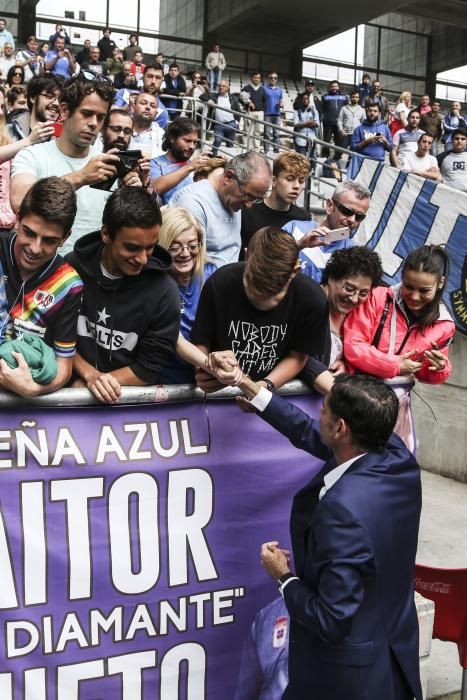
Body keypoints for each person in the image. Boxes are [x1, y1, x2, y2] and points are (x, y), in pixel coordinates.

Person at [219, 369, 423, 700]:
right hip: (389, 657)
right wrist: (250, 387)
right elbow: (309, 432)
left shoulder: (341, 512)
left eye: (325, 408)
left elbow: (332, 619)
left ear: (341, 428)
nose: (319, 413)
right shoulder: (396, 454)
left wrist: (283, 577)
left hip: (345, 678)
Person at [67, 186, 180, 403]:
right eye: (131, 248)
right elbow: (53, 337)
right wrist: (87, 374)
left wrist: (98, 383)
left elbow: (148, 368)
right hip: (67, 388)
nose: (143, 259)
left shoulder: (164, 292)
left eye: (150, 247)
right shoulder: (72, 269)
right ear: (106, 234)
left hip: (127, 404)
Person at [191, 226, 329, 395]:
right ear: (247, 255)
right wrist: (203, 368)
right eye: (252, 281)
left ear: (294, 272)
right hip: (220, 390)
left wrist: (263, 389)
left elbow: (299, 356)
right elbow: (201, 339)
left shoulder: (312, 299)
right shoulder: (220, 283)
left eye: (273, 290)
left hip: (278, 391)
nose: (258, 295)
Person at [343, 245, 455, 452]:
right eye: (408, 286)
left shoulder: (444, 324)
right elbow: (353, 346)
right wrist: (394, 365)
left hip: (395, 408)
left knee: (389, 469)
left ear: (441, 283)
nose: (414, 296)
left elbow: (425, 374)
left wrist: (439, 368)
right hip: (355, 399)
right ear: (401, 276)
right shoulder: (378, 297)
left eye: (424, 291)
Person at [11, 72, 119, 253]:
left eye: (100, 117)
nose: (94, 123)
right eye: (86, 113)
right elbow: (19, 200)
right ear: (64, 110)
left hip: (90, 273)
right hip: (41, 268)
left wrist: (139, 189)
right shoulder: (32, 155)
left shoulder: (106, 164)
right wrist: (80, 177)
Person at [0, 177, 83, 397]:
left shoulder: (68, 284)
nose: (35, 248)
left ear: (65, 237)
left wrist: (33, 389)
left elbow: (63, 366)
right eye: (29, 232)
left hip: (26, 410)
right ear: (17, 219)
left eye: (49, 240)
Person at [301, 246, 383, 393]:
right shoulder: (310, 302)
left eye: (363, 293)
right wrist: (336, 391)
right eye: (349, 288)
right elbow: (299, 355)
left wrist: (346, 365)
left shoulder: (357, 314)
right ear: (332, 277)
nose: (354, 299)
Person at [169, 151, 271, 267]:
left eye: (256, 199)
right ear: (228, 177)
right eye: (247, 195)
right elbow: (189, 264)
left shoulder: (233, 197)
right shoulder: (192, 203)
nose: (249, 205)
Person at [157, 207, 217, 383]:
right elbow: (175, 338)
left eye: (192, 246)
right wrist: (210, 366)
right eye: (175, 247)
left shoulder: (211, 273)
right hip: (164, 380)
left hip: (207, 377)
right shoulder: (154, 282)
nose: (185, 253)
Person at [282, 180, 370, 282]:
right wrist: (299, 245)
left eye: (359, 216)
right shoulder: (294, 228)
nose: (352, 220)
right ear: (329, 206)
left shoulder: (354, 254)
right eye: (347, 211)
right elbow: (266, 261)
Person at [240, 151, 311, 256]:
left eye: (301, 181)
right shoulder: (248, 213)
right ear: (274, 181)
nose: (296, 186)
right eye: (290, 179)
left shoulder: (304, 218)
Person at [150, 117, 211, 205]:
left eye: (195, 142)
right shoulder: (155, 164)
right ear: (172, 138)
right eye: (187, 141)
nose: (192, 146)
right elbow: (155, 188)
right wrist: (190, 167)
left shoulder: (195, 165)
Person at [204, 79, 240, 155]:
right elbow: (202, 96)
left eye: (223, 86)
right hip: (218, 125)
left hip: (231, 124)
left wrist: (236, 122)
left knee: (230, 144)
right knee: (217, 141)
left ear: (227, 88)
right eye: (219, 86)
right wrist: (209, 101)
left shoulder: (233, 98)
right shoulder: (214, 96)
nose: (221, 87)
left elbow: (238, 111)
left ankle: (229, 160)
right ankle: (213, 157)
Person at [129, 91, 165, 159]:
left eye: (153, 106)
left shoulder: (161, 135)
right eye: (143, 103)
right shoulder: (122, 128)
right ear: (133, 108)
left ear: (156, 114)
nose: (148, 107)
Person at [241, 71, 266, 150]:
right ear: (251, 78)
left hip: (259, 113)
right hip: (249, 112)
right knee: (246, 131)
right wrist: (248, 103)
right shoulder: (246, 88)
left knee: (257, 132)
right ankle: (246, 147)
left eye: (258, 78)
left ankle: (256, 149)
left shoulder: (262, 89)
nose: (257, 79)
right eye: (255, 77)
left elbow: (264, 101)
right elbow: (240, 98)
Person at [437, 128, 467, 192]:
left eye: (463, 139)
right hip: (448, 194)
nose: (459, 141)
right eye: (456, 138)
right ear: (452, 140)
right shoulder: (441, 157)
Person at [321, 80, 348, 147]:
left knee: (338, 142)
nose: (334, 88)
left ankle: (337, 156)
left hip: (339, 123)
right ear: (330, 87)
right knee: (326, 141)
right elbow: (322, 109)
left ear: (338, 87)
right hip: (328, 123)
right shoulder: (325, 97)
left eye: (335, 86)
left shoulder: (344, 97)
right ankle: (325, 155)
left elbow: (346, 109)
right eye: (332, 86)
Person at [263, 72, 283, 154]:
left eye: (275, 78)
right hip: (267, 114)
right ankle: (266, 151)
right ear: (269, 78)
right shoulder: (264, 88)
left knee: (276, 134)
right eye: (271, 77)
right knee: (267, 134)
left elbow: (281, 99)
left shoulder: (279, 90)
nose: (273, 79)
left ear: (277, 79)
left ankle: (276, 151)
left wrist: (281, 103)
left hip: (277, 114)